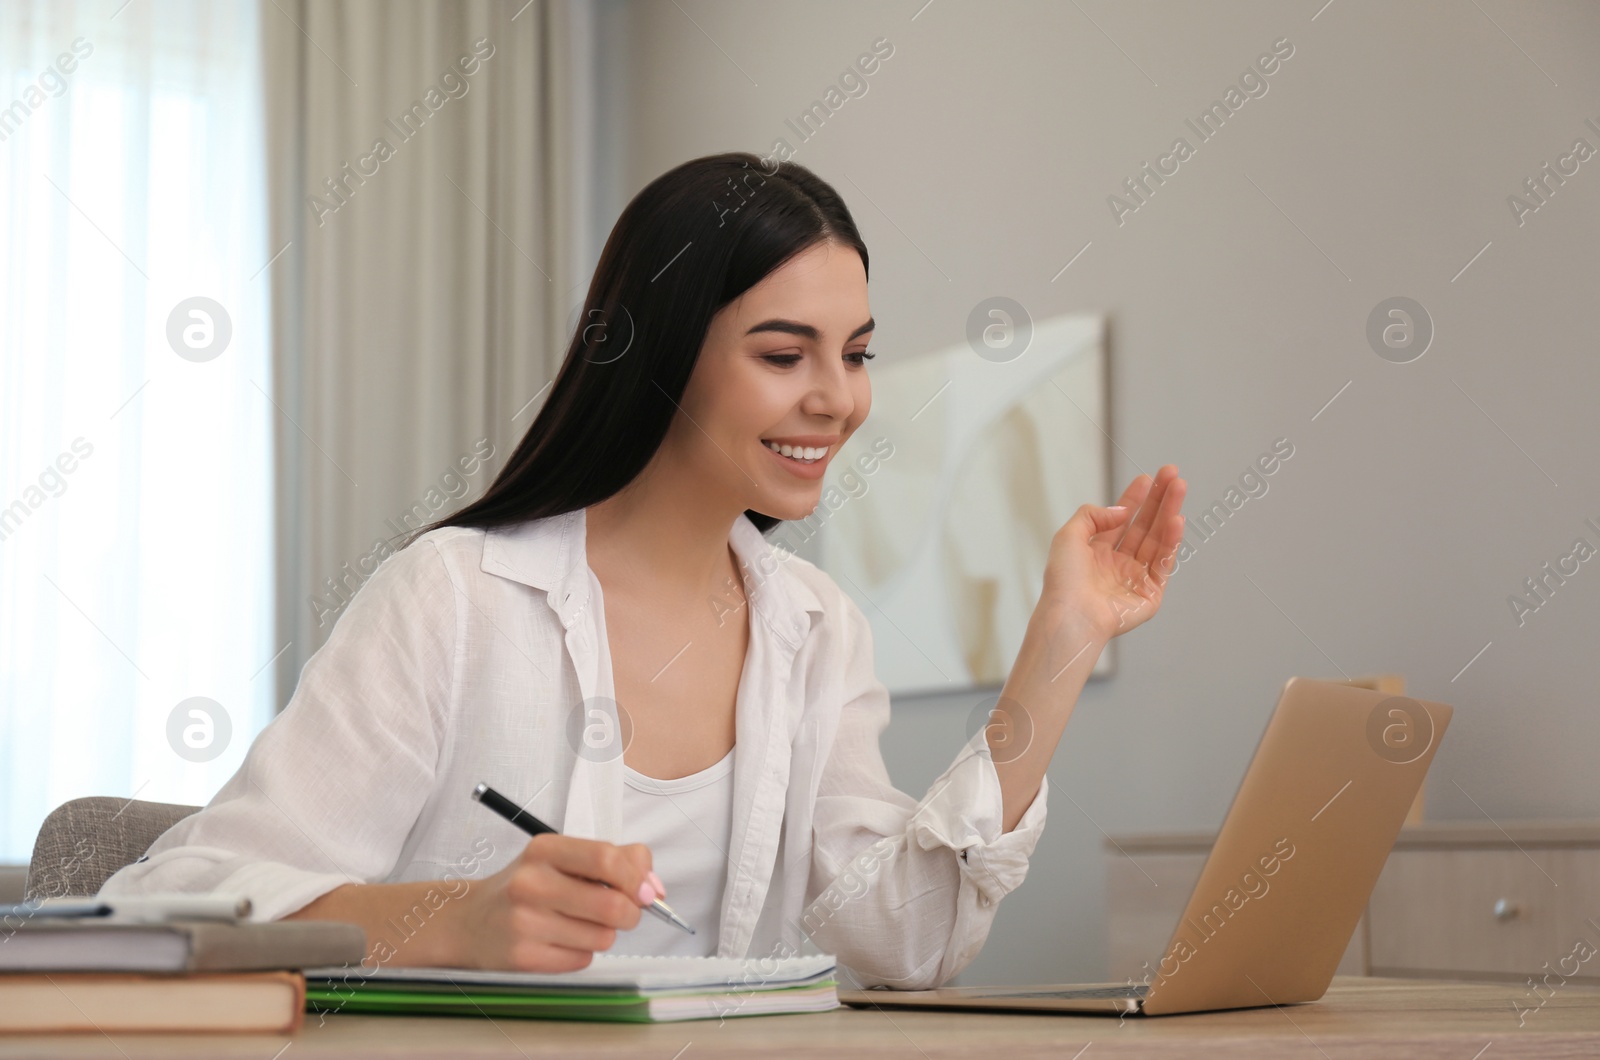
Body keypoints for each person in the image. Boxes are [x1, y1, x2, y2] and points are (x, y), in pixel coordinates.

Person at [100, 152, 1187, 989]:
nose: (837, 398)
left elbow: (905, 938)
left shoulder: (816, 627)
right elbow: (176, 900)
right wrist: (457, 919)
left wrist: (1062, 640)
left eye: (853, 352)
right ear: (663, 353)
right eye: (781, 354)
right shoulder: (454, 597)